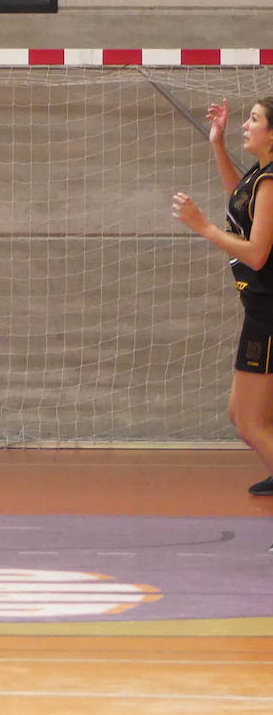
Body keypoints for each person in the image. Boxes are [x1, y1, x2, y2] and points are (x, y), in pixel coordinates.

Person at [173, 97, 273, 509]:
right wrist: (217, 143)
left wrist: (204, 227)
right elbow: (239, 200)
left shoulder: (272, 182)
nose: (245, 125)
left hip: (268, 315)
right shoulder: (260, 177)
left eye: (254, 119)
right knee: (243, 417)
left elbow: (255, 254)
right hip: (259, 312)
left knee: (249, 422)